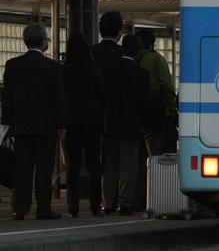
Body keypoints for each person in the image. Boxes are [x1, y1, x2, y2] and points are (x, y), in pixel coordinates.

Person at [0, 23, 67, 220]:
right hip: (46, 127)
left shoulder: (12, 65)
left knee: (22, 169)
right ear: (44, 41)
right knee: (44, 170)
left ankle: (19, 209)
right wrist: (62, 124)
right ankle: (43, 209)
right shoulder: (53, 67)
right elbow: (59, 98)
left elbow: (7, 99)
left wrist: (7, 123)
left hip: (20, 126)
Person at [101, 35, 151, 216]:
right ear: (138, 53)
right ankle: (125, 203)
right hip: (131, 127)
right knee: (128, 165)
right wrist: (144, 124)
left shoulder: (107, 71)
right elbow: (143, 103)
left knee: (110, 166)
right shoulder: (141, 74)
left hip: (110, 125)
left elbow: (103, 98)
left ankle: (108, 203)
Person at [62, 31, 107, 218]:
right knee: (93, 165)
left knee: (73, 165)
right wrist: (98, 111)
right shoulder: (92, 68)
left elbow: (60, 95)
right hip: (91, 122)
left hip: (71, 122)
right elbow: (103, 94)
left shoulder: (64, 70)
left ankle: (72, 206)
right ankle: (95, 205)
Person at [134, 28, 177, 155]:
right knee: (159, 150)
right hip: (159, 112)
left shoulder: (134, 60)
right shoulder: (156, 58)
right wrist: (172, 107)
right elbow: (167, 85)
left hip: (139, 114)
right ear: (151, 44)